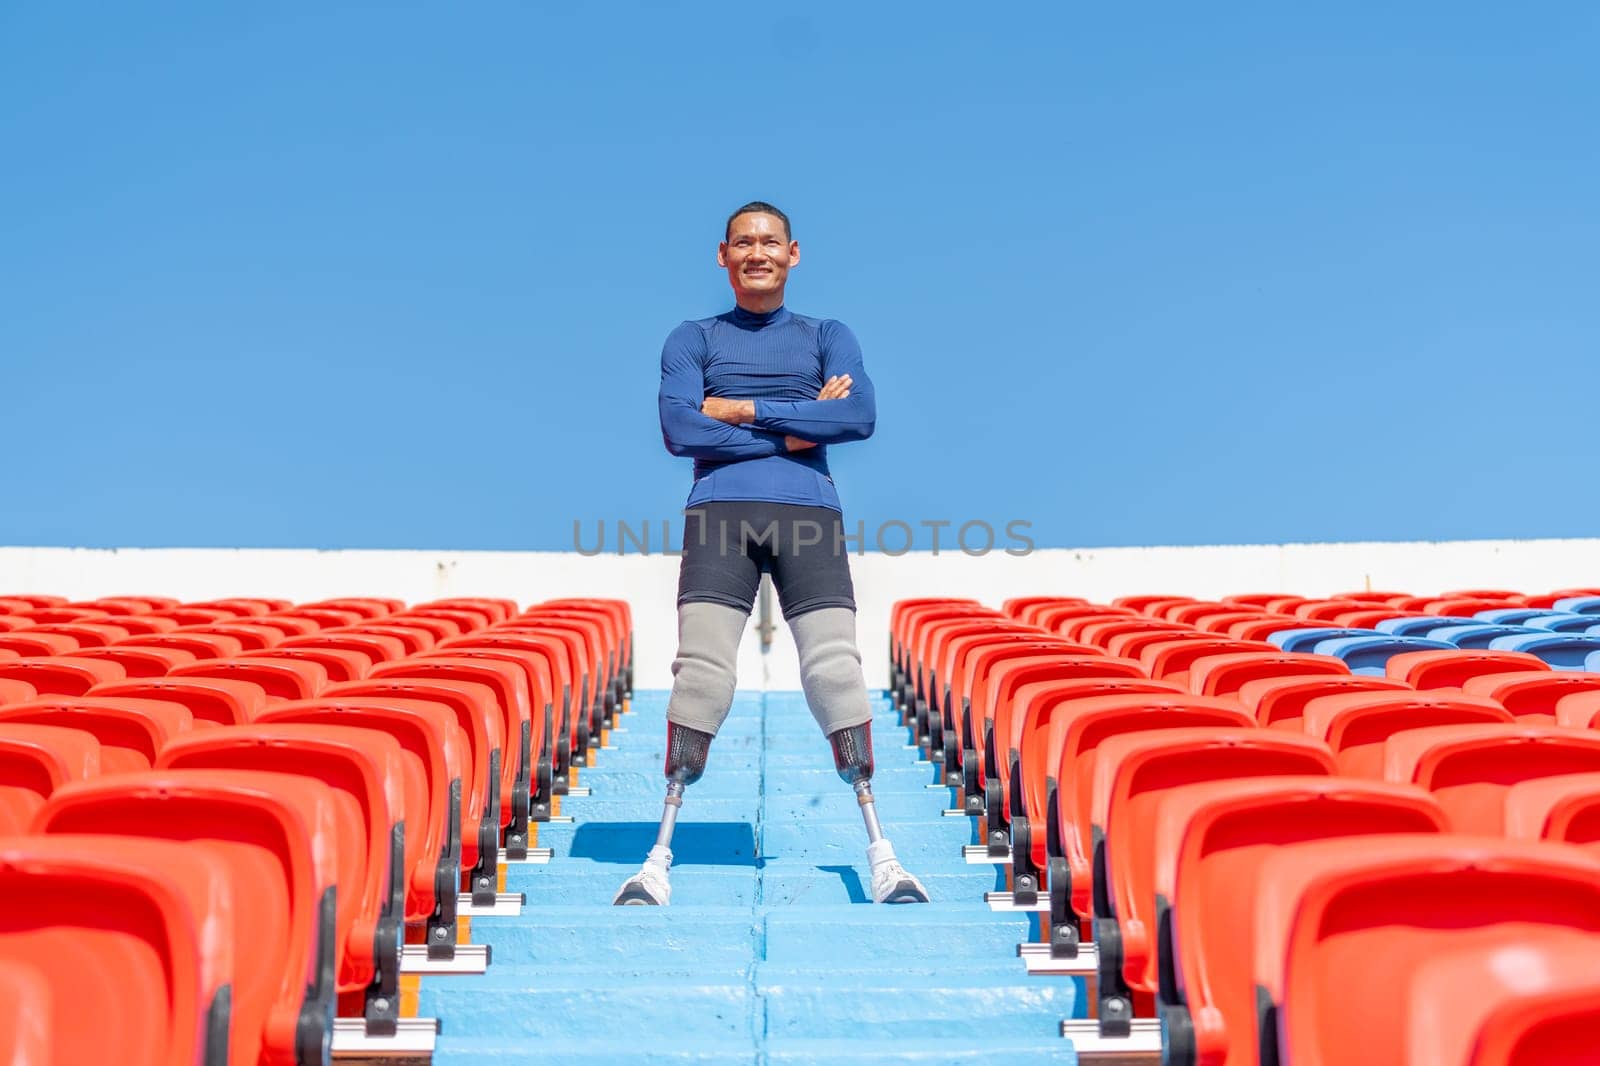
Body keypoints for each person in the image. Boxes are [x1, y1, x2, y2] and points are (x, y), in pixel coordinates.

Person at [613, 201, 929, 905]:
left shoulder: (828, 334)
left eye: (771, 242)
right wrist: (799, 425)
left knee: (835, 671)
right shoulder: (691, 337)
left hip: (809, 517)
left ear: (794, 254)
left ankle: (884, 854)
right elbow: (676, 427)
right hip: (718, 515)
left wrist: (738, 410)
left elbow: (859, 416)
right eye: (744, 243)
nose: (758, 252)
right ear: (722, 255)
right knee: (700, 673)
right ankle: (656, 859)